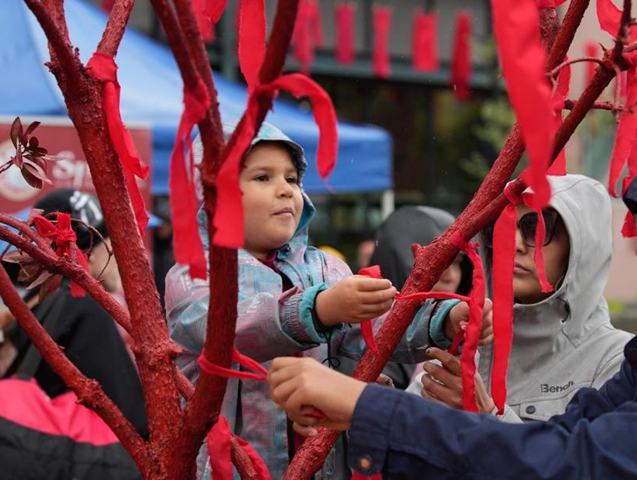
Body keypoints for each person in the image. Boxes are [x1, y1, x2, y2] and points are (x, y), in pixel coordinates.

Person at [269, 122, 637, 479]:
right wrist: (360, 418)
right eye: (505, 228)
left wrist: (368, 408)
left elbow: (576, 462)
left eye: (539, 227)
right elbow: (560, 438)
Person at [165, 122, 491, 480]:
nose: (285, 190)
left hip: (323, 466)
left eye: (292, 179)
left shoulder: (327, 268)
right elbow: (231, 329)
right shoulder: (193, 275)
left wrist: (443, 320)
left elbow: (378, 328)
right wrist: (319, 310)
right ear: (214, 197)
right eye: (263, 178)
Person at [411, 175, 633, 420]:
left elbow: (588, 458)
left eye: (536, 228)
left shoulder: (618, 361)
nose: (513, 243)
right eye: (502, 227)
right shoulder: (465, 342)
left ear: (582, 247)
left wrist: (487, 415)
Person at [1, 188, 148, 439]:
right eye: (111, 241)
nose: (119, 253)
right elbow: (137, 425)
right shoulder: (82, 308)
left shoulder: (33, 310)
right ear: (84, 253)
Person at [340, 205, 475, 389]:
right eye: (440, 263)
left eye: (457, 263)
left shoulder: (468, 335)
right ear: (401, 262)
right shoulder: (354, 338)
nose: (451, 276)